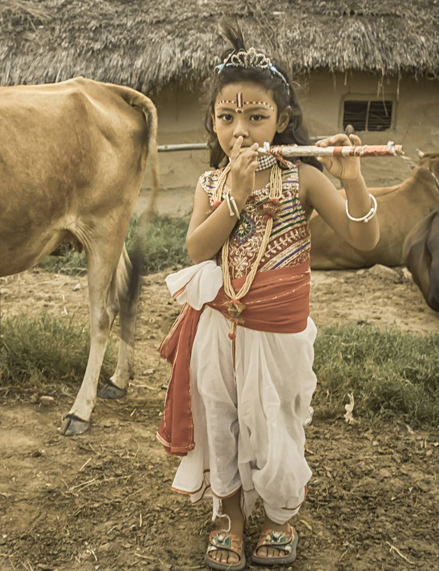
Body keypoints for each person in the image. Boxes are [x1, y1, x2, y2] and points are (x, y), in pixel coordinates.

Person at [157, 20, 379, 569]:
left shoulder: (302, 178)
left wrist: (350, 178)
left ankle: (281, 517)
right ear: (213, 122)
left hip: (279, 335)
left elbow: (363, 240)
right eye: (227, 117)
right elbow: (195, 251)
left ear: (281, 121)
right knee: (221, 419)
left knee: (276, 421)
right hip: (220, 331)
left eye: (256, 117)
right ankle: (229, 514)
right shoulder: (212, 184)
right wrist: (234, 194)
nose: (241, 130)